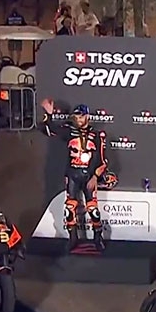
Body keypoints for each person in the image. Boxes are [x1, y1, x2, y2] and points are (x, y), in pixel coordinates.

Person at [38, 101, 108, 252]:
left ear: (87, 116)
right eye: (76, 117)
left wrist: (95, 177)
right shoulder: (69, 131)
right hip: (72, 175)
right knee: (70, 208)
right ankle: (73, 238)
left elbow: (102, 161)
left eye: (81, 116)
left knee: (93, 210)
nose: (78, 119)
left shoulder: (97, 135)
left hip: (89, 176)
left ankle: (98, 238)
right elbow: (47, 130)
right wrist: (49, 115)